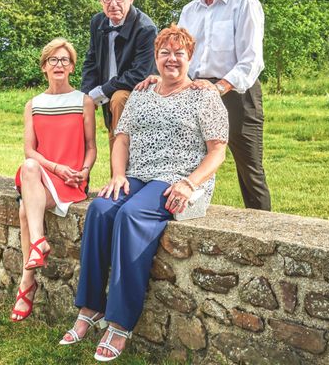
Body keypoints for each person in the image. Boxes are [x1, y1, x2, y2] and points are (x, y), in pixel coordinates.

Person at [60, 25, 228, 361]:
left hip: (179, 179)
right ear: (155, 56)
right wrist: (118, 174)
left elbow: (217, 151)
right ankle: (91, 306)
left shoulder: (204, 96)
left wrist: (189, 183)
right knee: (101, 209)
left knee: (131, 215)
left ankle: (120, 322)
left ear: (189, 57)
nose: (171, 59)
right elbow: (122, 138)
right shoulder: (142, 93)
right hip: (137, 174)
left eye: (179, 53)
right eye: (164, 52)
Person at [138, 0, 271, 211]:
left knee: (250, 169)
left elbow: (251, 60)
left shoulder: (244, 3)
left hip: (237, 94)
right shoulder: (189, 10)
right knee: (190, 160)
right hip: (196, 92)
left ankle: (263, 231)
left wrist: (220, 87)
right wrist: (162, 79)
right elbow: (181, 55)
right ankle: (185, 217)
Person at [11, 38, 97, 322]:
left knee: (26, 209)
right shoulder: (33, 104)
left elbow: (91, 146)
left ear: (72, 67)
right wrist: (56, 168)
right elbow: (30, 150)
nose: (58, 65)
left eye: (64, 60)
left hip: (72, 180)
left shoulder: (83, 101)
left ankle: (27, 282)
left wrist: (83, 170)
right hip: (43, 175)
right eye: (53, 60)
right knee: (30, 165)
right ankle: (39, 244)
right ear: (44, 67)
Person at [81, 0, 158, 154]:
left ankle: (122, 177)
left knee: (119, 98)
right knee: (80, 106)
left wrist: (101, 91)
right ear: (100, 0)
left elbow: (139, 75)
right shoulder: (97, 22)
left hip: (138, 94)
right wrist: (86, 96)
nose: (113, 3)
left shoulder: (146, 28)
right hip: (108, 93)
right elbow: (91, 61)